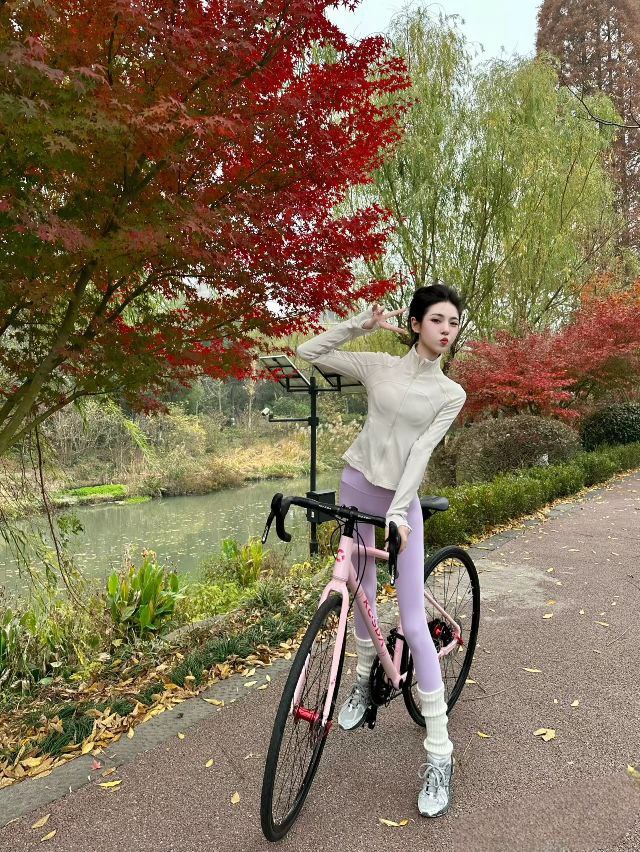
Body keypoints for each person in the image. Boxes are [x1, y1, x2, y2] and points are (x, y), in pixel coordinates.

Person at [296, 284, 466, 818]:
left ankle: (440, 753)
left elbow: (420, 452)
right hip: (355, 487)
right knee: (360, 595)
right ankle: (364, 684)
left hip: (399, 504)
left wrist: (398, 512)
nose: (446, 329)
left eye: (453, 322)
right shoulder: (378, 367)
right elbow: (308, 351)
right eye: (437, 319)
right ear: (415, 323)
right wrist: (359, 324)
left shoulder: (450, 393)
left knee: (412, 621)